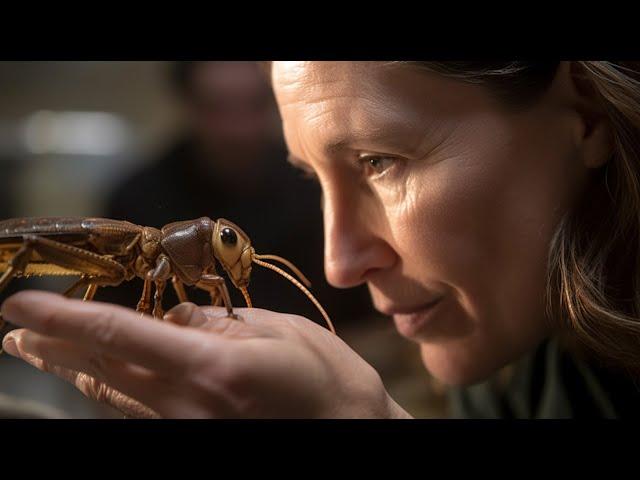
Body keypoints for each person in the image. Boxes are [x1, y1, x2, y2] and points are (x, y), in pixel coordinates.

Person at [2, 61, 640, 418]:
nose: (340, 264)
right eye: (312, 178)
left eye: (378, 161)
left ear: (584, 116)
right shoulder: (507, 364)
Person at [99, 61, 373, 326]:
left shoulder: (316, 189)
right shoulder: (135, 196)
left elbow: (361, 316)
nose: (239, 130)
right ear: (187, 104)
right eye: (217, 108)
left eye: (254, 105)